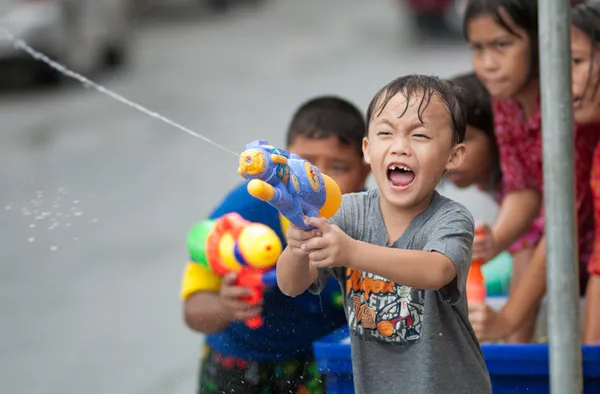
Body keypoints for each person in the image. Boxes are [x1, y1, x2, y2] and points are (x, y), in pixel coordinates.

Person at [276, 74, 492, 394]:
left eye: (420, 135)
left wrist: (351, 252)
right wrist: (296, 248)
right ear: (368, 149)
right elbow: (291, 285)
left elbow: (436, 270)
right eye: (386, 133)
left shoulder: (450, 218)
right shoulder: (348, 213)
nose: (400, 147)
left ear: (453, 156)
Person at [181, 95, 371, 394]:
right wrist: (226, 306)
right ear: (282, 162)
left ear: (365, 172)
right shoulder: (244, 210)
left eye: (338, 167)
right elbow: (193, 310)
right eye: (304, 165)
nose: (316, 181)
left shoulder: (370, 217)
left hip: (324, 363)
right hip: (238, 365)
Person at [463, 0, 600, 343]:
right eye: (478, 48)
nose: (488, 64)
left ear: (541, 42)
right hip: (555, 233)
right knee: (523, 244)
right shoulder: (506, 100)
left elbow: (565, 222)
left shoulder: (571, 105)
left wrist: (508, 319)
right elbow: (522, 187)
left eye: (502, 45)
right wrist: (495, 240)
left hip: (578, 236)